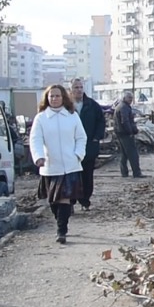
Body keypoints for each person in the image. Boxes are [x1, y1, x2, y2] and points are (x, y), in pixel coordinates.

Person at [29, 84, 87, 244]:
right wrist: (39, 157)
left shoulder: (72, 116)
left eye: (57, 96)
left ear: (63, 98)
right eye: (51, 96)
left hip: (70, 165)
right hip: (50, 165)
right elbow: (35, 139)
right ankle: (60, 220)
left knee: (65, 198)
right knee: (53, 201)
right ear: (47, 98)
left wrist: (78, 154)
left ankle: (62, 230)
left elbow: (81, 137)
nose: (54, 99)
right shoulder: (41, 118)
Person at [69, 78, 105, 210]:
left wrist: (96, 137)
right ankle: (70, 202)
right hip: (70, 148)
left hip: (89, 146)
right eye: (76, 87)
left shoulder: (92, 105)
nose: (79, 90)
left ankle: (85, 201)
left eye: (80, 87)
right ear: (70, 90)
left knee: (87, 176)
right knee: (71, 177)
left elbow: (101, 122)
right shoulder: (66, 107)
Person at [114, 90, 147, 178]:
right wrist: (131, 132)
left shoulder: (121, 106)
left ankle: (124, 173)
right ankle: (136, 173)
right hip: (125, 133)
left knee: (124, 154)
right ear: (124, 98)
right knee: (133, 154)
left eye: (132, 98)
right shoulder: (124, 107)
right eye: (129, 98)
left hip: (120, 133)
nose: (131, 100)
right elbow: (125, 121)